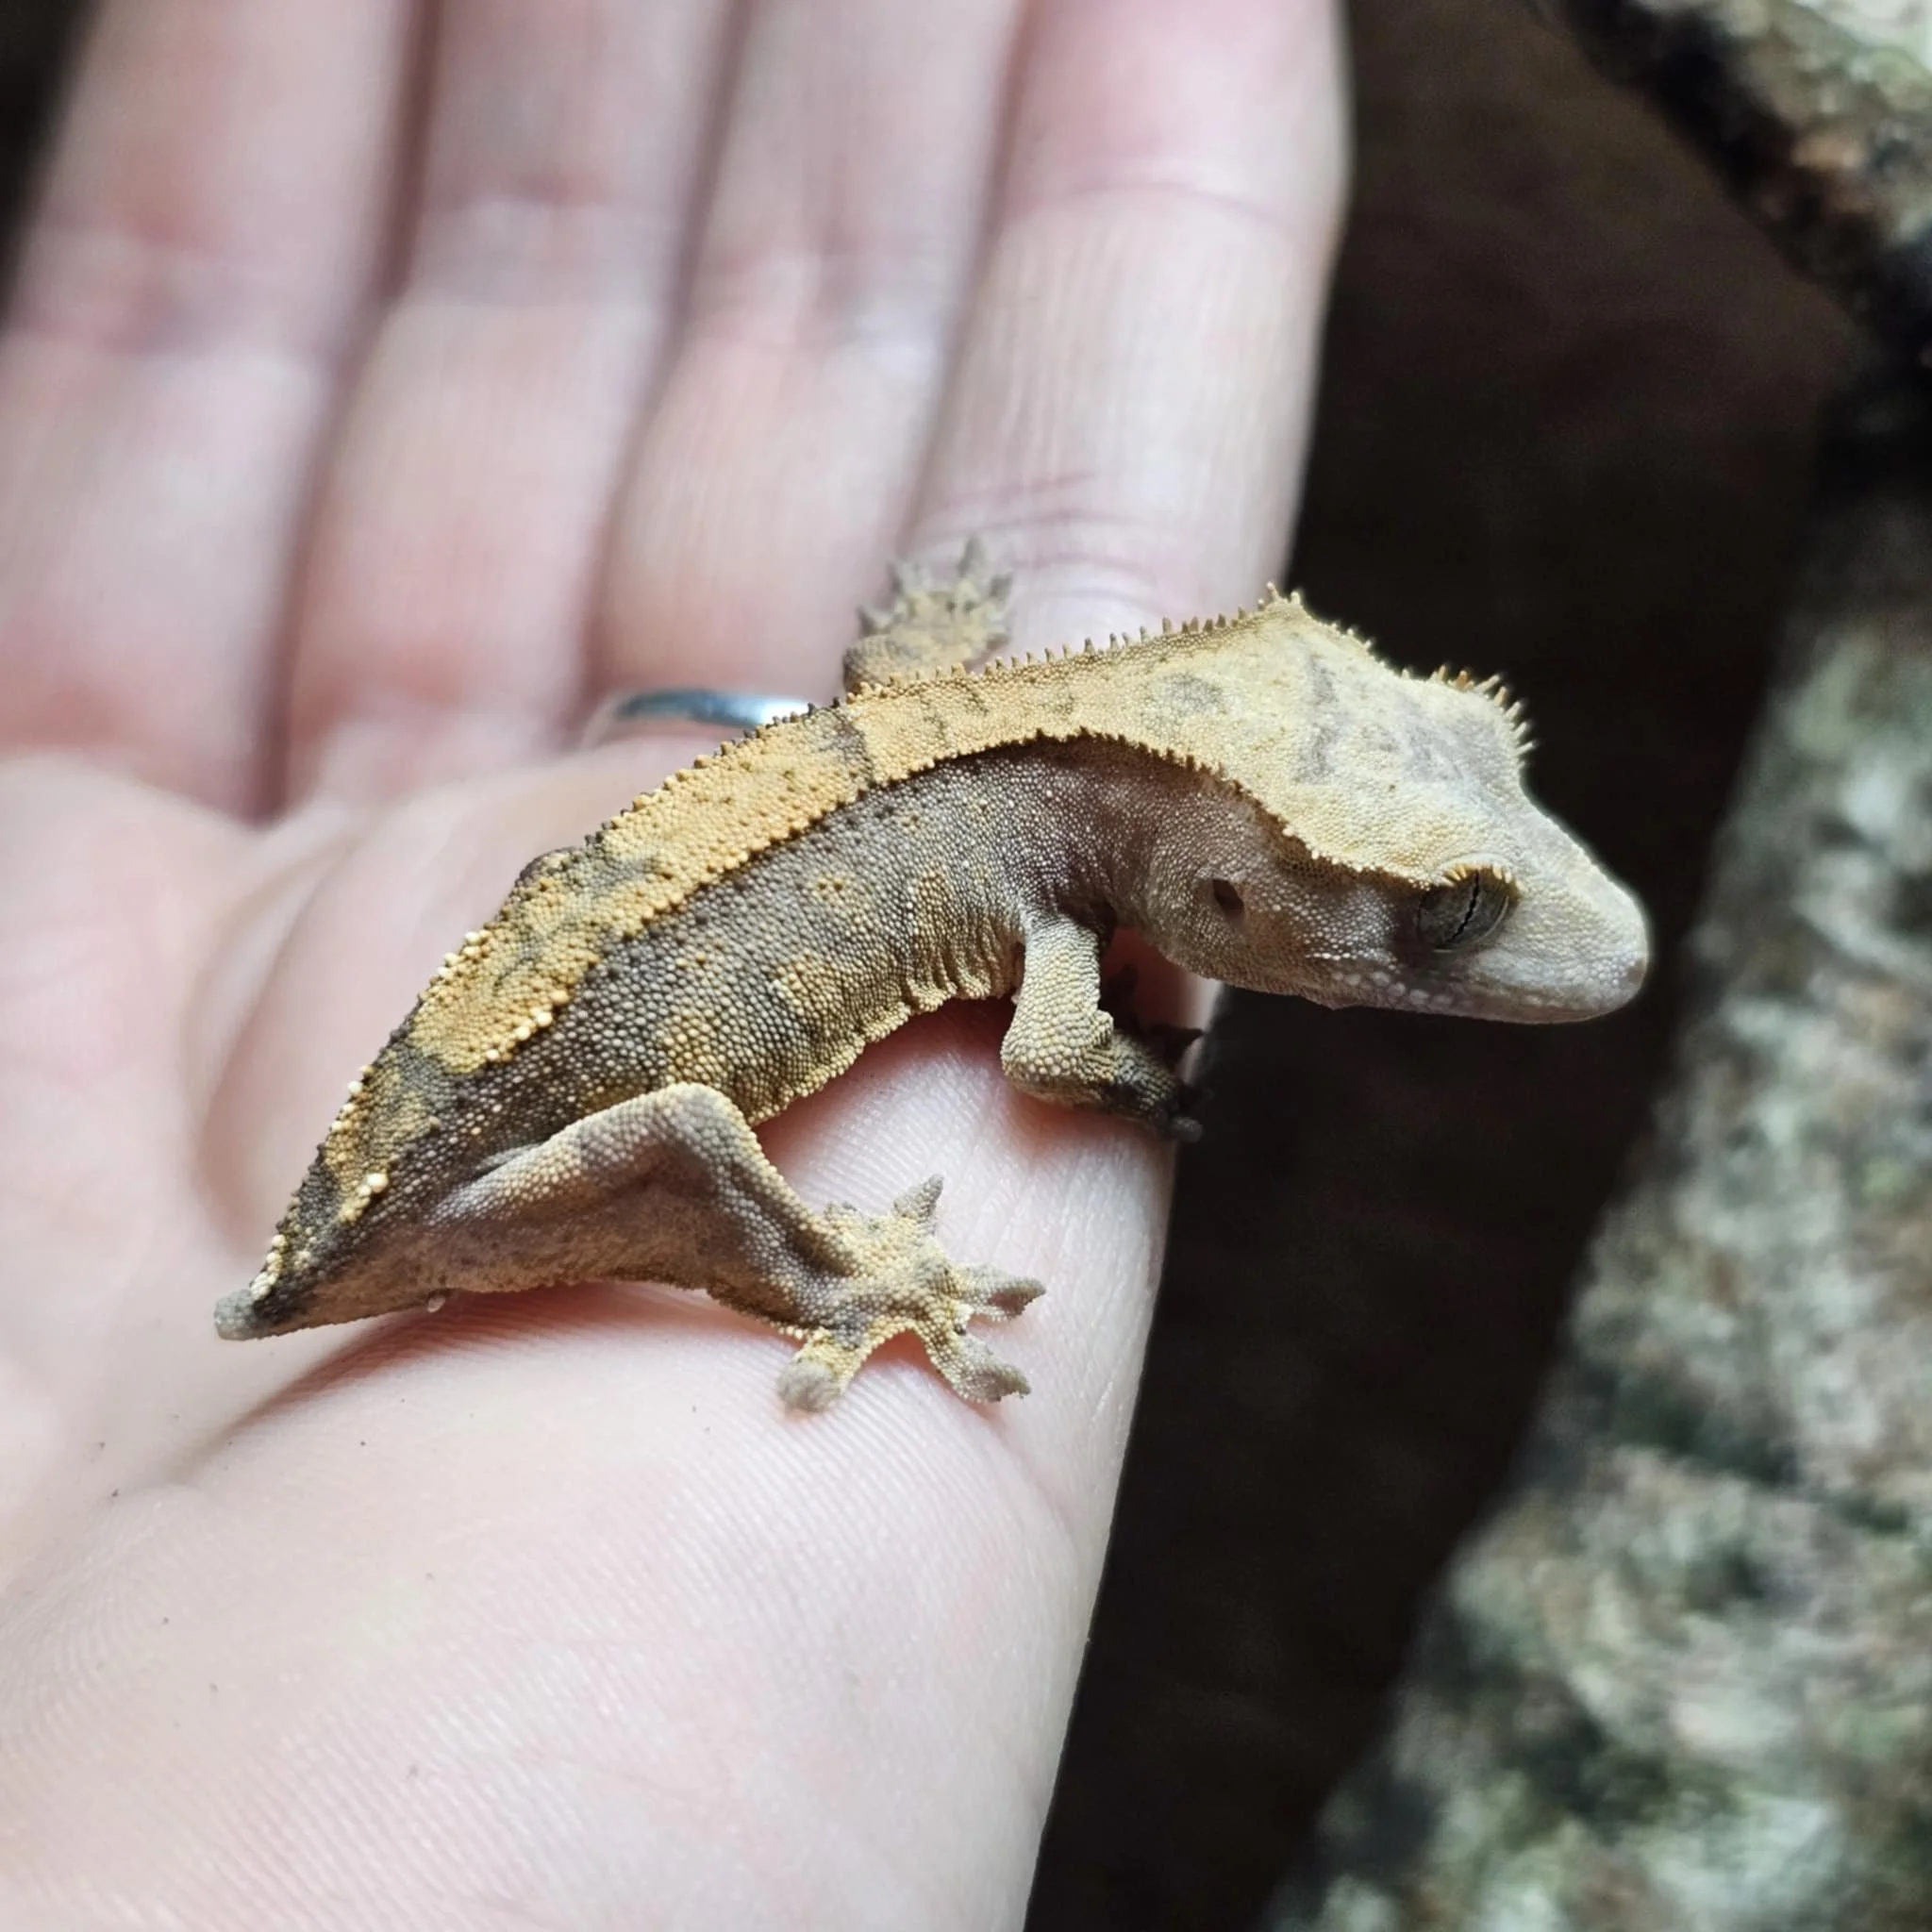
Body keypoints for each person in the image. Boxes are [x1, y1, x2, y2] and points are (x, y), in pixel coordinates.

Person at [0, 2, 1343, 1920]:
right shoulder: (1055, 880)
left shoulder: (1001, 785)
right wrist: (1091, 1108)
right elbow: (1059, 1057)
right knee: (698, 1137)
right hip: (450, 1187)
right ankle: (825, 1271)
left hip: (434, 1137)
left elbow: (913, 754)